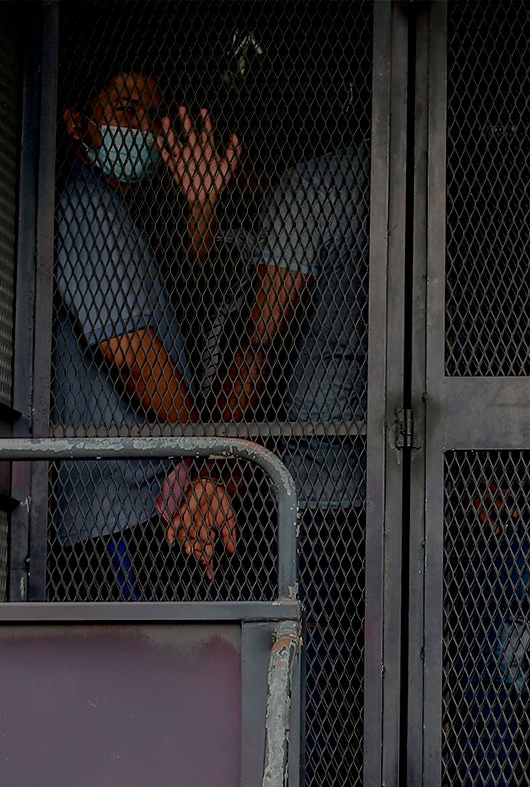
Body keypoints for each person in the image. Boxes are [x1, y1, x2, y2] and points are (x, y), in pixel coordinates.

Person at [50, 69, 241, 600]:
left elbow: (194, 304)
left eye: (151, 118)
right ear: (76, 122)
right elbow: (135, 357)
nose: (141, 130)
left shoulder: (121, 211)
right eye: (126, 111)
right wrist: (203, 456)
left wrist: (201, 209)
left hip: (138, 503)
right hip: (115, 509)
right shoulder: (88, 209)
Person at [218, 142, 369, 785]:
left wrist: (216, 461)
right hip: (376, 480)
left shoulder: (315, 182)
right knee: (353, 668)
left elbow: (262, 332)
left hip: (318, 482)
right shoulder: (440, 172)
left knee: (309, 662)